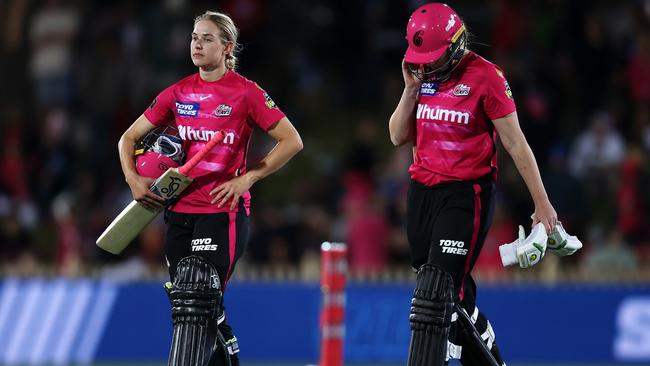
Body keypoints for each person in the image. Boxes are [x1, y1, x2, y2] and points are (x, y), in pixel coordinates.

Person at [117, 10, 303, 366]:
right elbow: (128, 138)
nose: (197, 44)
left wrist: (248, 178)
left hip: (223, 213)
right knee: (193, 311)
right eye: (194, 37)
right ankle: (227, 349)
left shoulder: (246, 93)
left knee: (197, 298)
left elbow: (291, 141)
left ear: (227, 46)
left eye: (206, 38)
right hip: (178, 214)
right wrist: (133, 178)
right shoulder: (178, 92)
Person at [388, 3, 558, 365]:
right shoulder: (421, 79)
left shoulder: (487, 77)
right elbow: (397, 136)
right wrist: (409, 92)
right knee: (452, 298)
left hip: (466, 195)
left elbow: (516, 144)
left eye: (434, 57)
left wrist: (542, 204)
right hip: (421, 193)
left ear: (456, 43)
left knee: (434, 295)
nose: (428, 64)